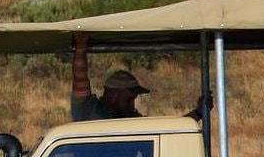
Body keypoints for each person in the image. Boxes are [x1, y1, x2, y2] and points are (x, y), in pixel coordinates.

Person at [70, 32, 206, 122]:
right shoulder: (88, 110)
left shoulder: (132, 120)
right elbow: (80, 79)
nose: (132, 104)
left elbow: (171, 130)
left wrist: (199, 112)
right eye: (128, 99)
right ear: (114, 94)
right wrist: (80, 48)